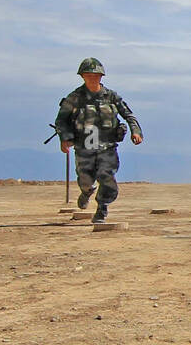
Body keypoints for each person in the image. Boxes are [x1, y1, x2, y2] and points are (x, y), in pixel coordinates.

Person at [53, 58, 143, 224]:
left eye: (96, 75)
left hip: (107, 147)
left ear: (101, 76)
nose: (92, 78)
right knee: (85, 180)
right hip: (84, 147)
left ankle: (102, 208)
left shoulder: (111, 97)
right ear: (82, 76)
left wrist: (136, 132)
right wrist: (65, 139)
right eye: (88, 75)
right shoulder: (74, 98)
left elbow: (129, 115)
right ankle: (86, 192)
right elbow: (61, 121)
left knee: (107, 177)